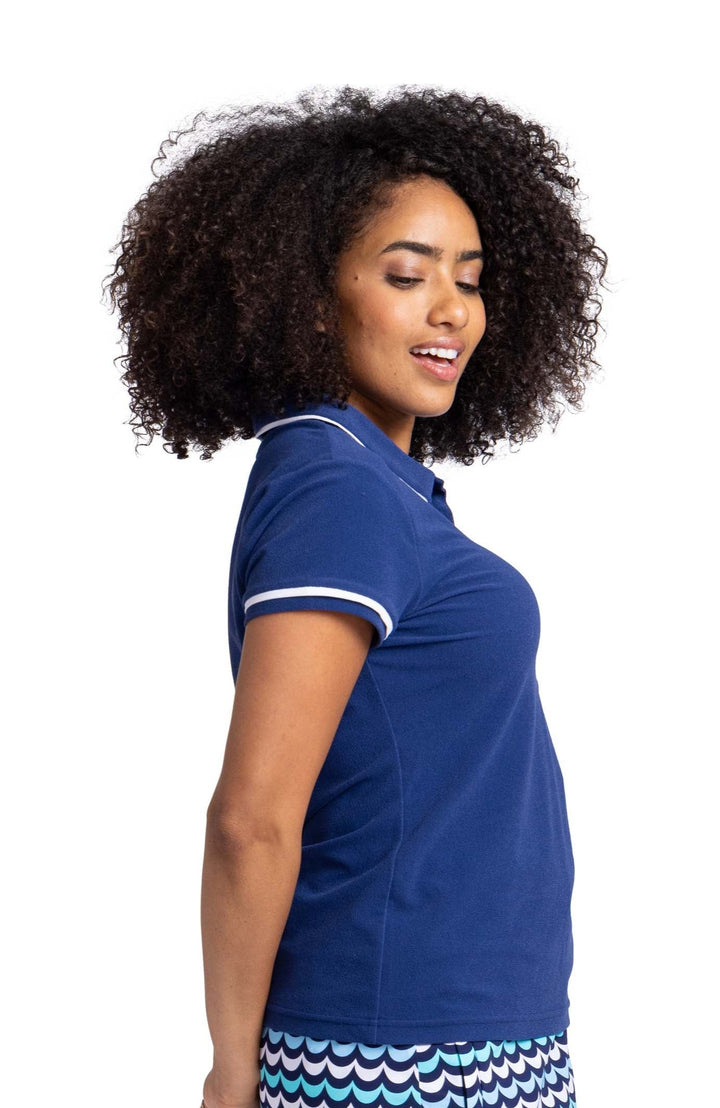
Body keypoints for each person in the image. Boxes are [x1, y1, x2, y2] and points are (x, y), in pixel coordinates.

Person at [103, 85, 608, 1108]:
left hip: (470, 1033)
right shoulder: (336, 486)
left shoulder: (375, 484)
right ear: (309, 292)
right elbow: (253, 815)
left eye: (468, 279)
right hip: (397, 1058)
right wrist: (231, 1073)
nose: (450, 309)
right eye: (405, 274)